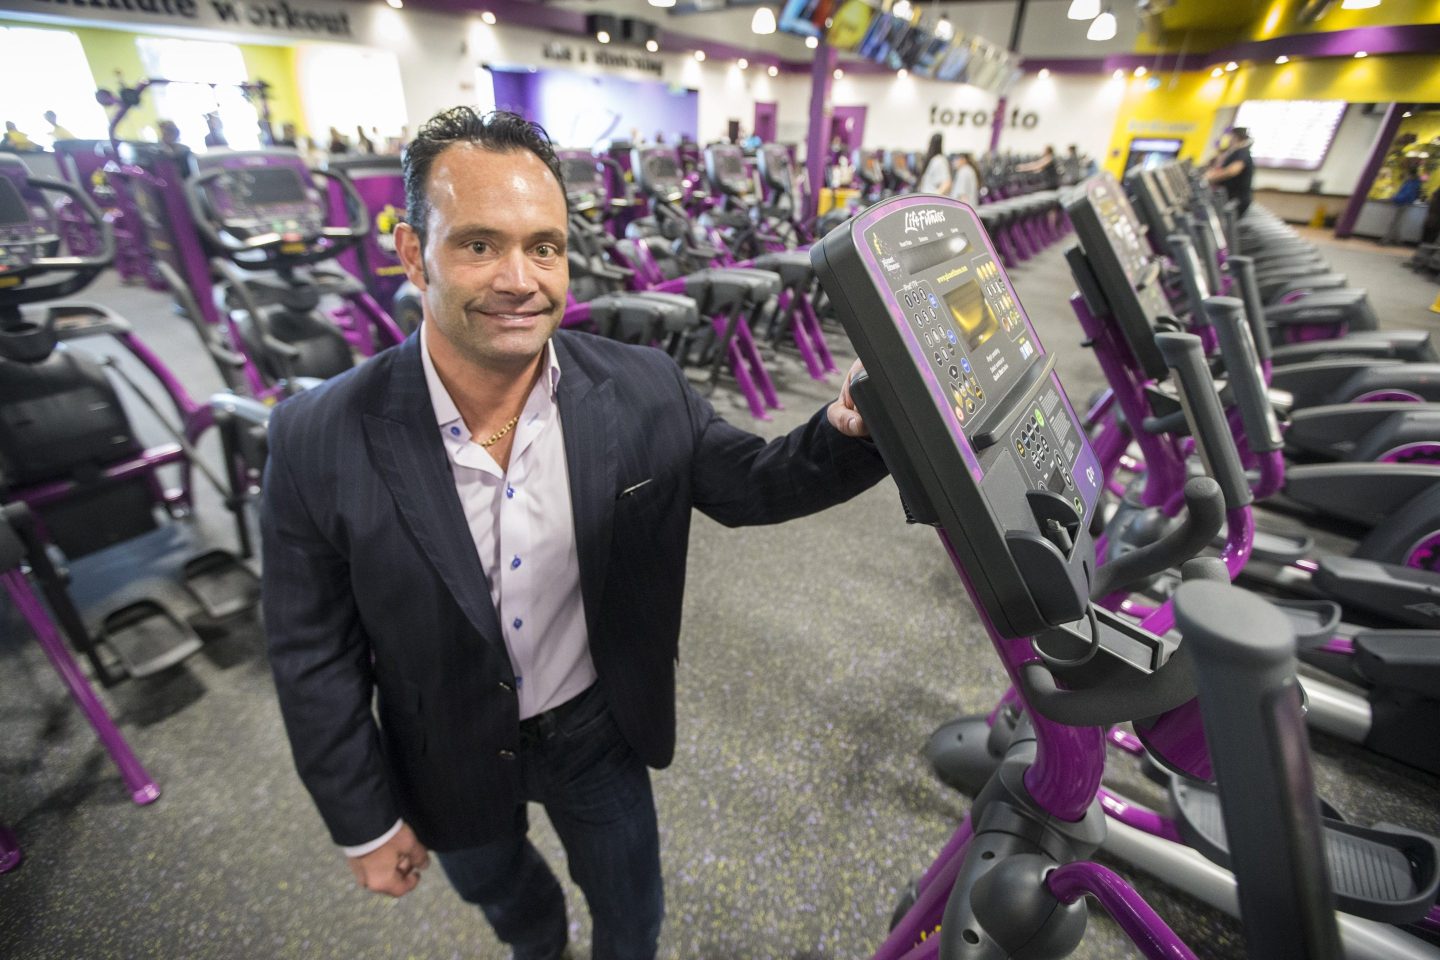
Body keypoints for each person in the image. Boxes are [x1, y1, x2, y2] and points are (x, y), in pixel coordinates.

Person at [261, 107, 887, 960]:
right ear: (413, 253)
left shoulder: (640, 387)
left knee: (632, 917)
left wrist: (855, 426)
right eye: (479, 245)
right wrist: (363, 823)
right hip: (440, 744)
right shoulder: (315, 437)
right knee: (512, 905)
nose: (520, 278)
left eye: (544, 246)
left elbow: (753, 483)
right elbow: (311, 654)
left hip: (597, 727)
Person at [1205, 126, 1255, 218]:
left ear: (1235, 137)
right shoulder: (1235, 152)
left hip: (1236, 200)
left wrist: (1208, 179)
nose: (1229, 139)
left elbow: (1232, 170)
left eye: (1231, 136)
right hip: (1230, 198)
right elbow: (1219, 166)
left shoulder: (1242, 152)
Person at [1381, 162, 1423, 246]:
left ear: (1409, 173)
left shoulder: (1411, 182)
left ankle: (1386, 240)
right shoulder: (1414, 182)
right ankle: (1398, 241)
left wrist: (1394, 198)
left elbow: (1405, 194)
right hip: (1405, 203)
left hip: (1403, 203)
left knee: (1394, 222)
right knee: (1397, 222)